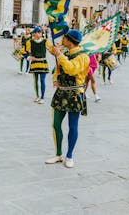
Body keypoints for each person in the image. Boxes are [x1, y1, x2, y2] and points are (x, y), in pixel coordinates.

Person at [45, 30, 90, 169]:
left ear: (70, 41)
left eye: (64, 38)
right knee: (56, 124)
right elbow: (57, 70)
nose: (62, 40)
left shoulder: (83, 57)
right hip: (61, 93)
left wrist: (59, 55)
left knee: (73, 126)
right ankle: (58, 154)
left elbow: (71, 69)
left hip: (75, 94)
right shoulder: (65, 54)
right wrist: (55, 80)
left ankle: (69, 155)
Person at [25, 27, 51, 104]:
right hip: (34, 63)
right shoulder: (30, 42)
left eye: (40, 32)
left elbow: (51, 49)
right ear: (34, 34)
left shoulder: (45, 41)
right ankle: (37, 96)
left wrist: (57, 49)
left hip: (43, 62)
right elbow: (24, 51)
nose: (39, 33)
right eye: (38, 32)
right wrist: (29, 57)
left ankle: (42, 97)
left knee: (42, 80)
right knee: (35, 80)